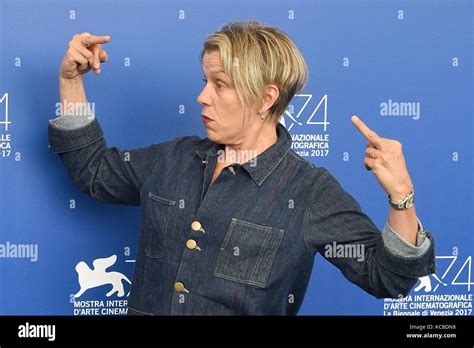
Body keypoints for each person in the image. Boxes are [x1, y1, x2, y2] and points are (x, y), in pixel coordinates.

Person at [48, 21, 436, 315]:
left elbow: (388, 277)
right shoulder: (172, 159)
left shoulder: (309, 192)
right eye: (205, 81)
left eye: (220, 85)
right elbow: (93, 171)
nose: (202, 97)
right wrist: (70, 81)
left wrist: (401, 195)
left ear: (266, 97)